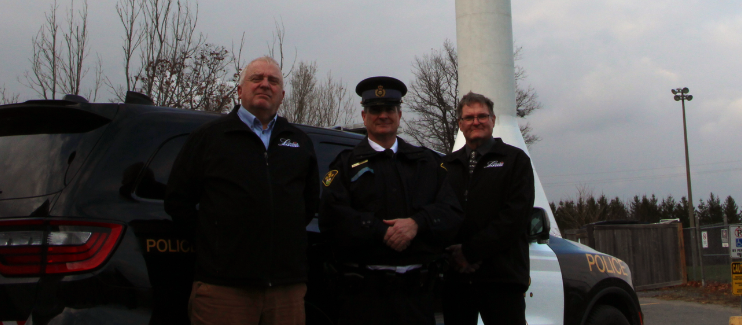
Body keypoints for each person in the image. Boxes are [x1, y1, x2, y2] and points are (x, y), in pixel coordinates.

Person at [165, 57, 319, 325]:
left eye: (273, 81)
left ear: (282, 95)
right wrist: (216, 245)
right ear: (239, 90)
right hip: (223, 290)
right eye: (256, 78)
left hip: (286, 291)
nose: (264, 85)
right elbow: (178, 201)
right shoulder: (209, 137)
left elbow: (307, 205)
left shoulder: (299, 142)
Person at [319, 76, 462, 325]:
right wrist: (379, 231)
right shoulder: (345, 165)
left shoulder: (427, 163)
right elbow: (331, 217)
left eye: (389, 109)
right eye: (375, 110)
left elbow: (452, 212)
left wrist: (417, 223)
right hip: (363, 299)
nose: (383, 115)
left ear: (399, 114)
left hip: (416, 299)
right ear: (364, 116)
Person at [441, 91, 535, 325]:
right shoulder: (446, 166)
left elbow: (514, 217)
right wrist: (453, 256)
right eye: (469, 117)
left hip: (502, 279)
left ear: (493, 120)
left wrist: (470, 253)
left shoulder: (515, 160)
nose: (476, 122)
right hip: (457, 281)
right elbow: (438, 214)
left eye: (482, 116)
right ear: (461, 124)